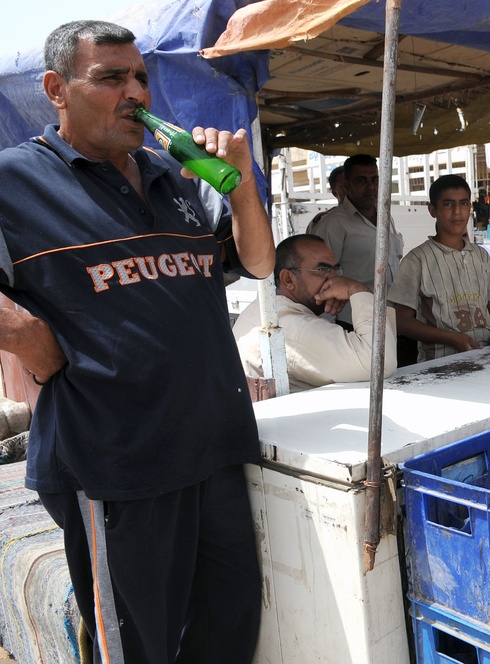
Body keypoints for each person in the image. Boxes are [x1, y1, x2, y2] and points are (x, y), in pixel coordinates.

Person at [0, 20, 274, 663]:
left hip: (215, 449)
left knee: (229, 633)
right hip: (115, 465)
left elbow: (260, 263)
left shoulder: (174, 174)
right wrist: (32, 341)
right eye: (111, 78)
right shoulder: (15, 180)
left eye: (142, 78)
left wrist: (241, 184)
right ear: (56, 90)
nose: (137, 94)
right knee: (138, 648)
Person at [233, 234, 398, 392]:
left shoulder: (264, 311)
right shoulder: (292, 327)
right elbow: (380, 362)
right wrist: (357, 290)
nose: (334, 279)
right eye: (322, 269)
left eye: (335, 269)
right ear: (288, 279)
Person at [388, 174, 490, 362]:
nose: (457, 211)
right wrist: (451, 338)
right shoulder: (417, 260)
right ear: (433, 210)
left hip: (486, 355)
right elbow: (401, 320)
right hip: (440, 362)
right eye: (448, 204)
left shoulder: (481, 255)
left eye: (464, 203)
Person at [306, 153, 404, 327]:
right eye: (362, 180)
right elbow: (321, 278)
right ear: (346, 185)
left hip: (391, 317)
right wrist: (328, 329)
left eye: (375, 180)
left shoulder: (386, 217)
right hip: (353, 322)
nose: (371, 187)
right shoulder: (333, 224)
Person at [304, 164, 347, 230]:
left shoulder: (363, 217)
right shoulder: (325, 221)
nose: (352, 190)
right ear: (335, 193)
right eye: (345, 187)